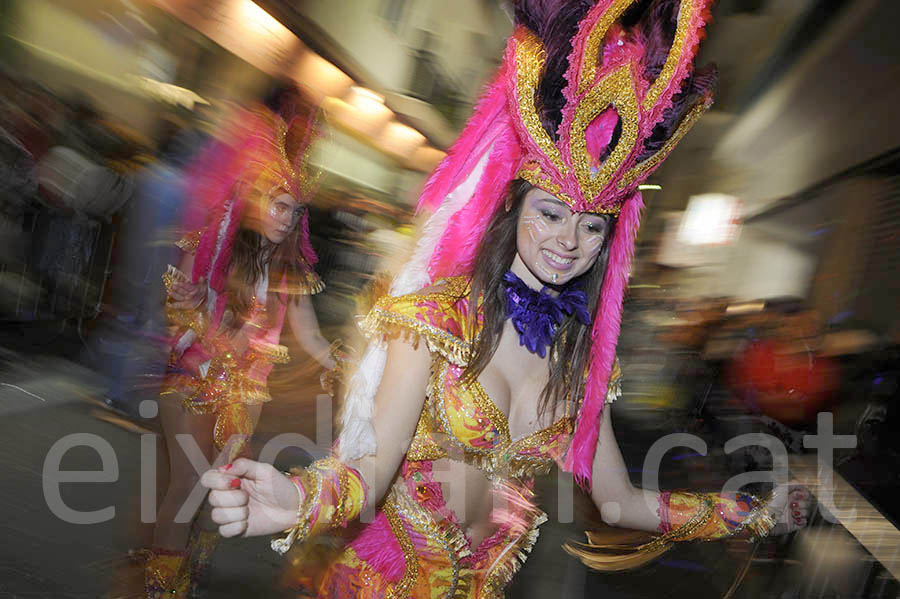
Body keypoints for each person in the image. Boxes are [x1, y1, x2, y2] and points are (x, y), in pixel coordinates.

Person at [201, 1, 813, 597]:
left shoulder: (582, 363)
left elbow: (621, 501)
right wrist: (298, 500)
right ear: (513, 207)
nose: (567, 241)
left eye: (591, 225)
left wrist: (754, 514)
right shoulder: (436, 320)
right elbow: (374, 469)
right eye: (549, 213)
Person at [145, 88, 336, 598]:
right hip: (195, 379)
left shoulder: (285, 268)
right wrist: (190, 301)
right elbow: (183, 308)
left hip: (243, 395)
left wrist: (339, 361)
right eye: (278, 205)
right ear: (255, 199)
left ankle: (187, 575)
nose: (285, 219)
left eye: (294, 211)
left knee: (222, 490)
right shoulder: (216, 240)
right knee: (184, 492)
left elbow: (312, 332)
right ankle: (160, 589)